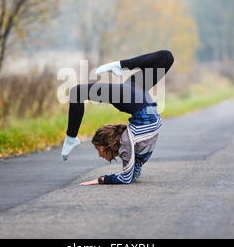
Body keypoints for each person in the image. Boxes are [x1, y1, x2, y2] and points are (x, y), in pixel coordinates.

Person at [61, 50, 174, 185]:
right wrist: (103, 179)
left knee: (167, 57)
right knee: (166, 57)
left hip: (141, 104)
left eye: (98, 150)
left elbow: (129, 177)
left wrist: (101, 180)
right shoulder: (129, 147)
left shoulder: (131, 147)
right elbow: (128, 178)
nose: (99, 155)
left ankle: (71, 138)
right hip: (138, 103)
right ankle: (119, 65)